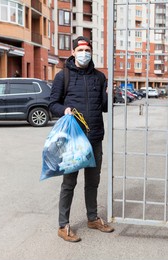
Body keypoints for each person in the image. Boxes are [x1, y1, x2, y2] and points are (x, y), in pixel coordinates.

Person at [49, 36, 114, 242]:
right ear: (74, 52)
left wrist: (111, 93)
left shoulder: (99, 77)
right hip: (74, 139)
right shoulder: (63, 76)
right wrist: (64, 109)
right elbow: (52, 104)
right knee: (69, 183)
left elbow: (104, 106)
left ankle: (92, 218)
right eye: (81, 50)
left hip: (95, 136)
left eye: (87, 49)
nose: (84, 53)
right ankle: (63, 225)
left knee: (93, 182)